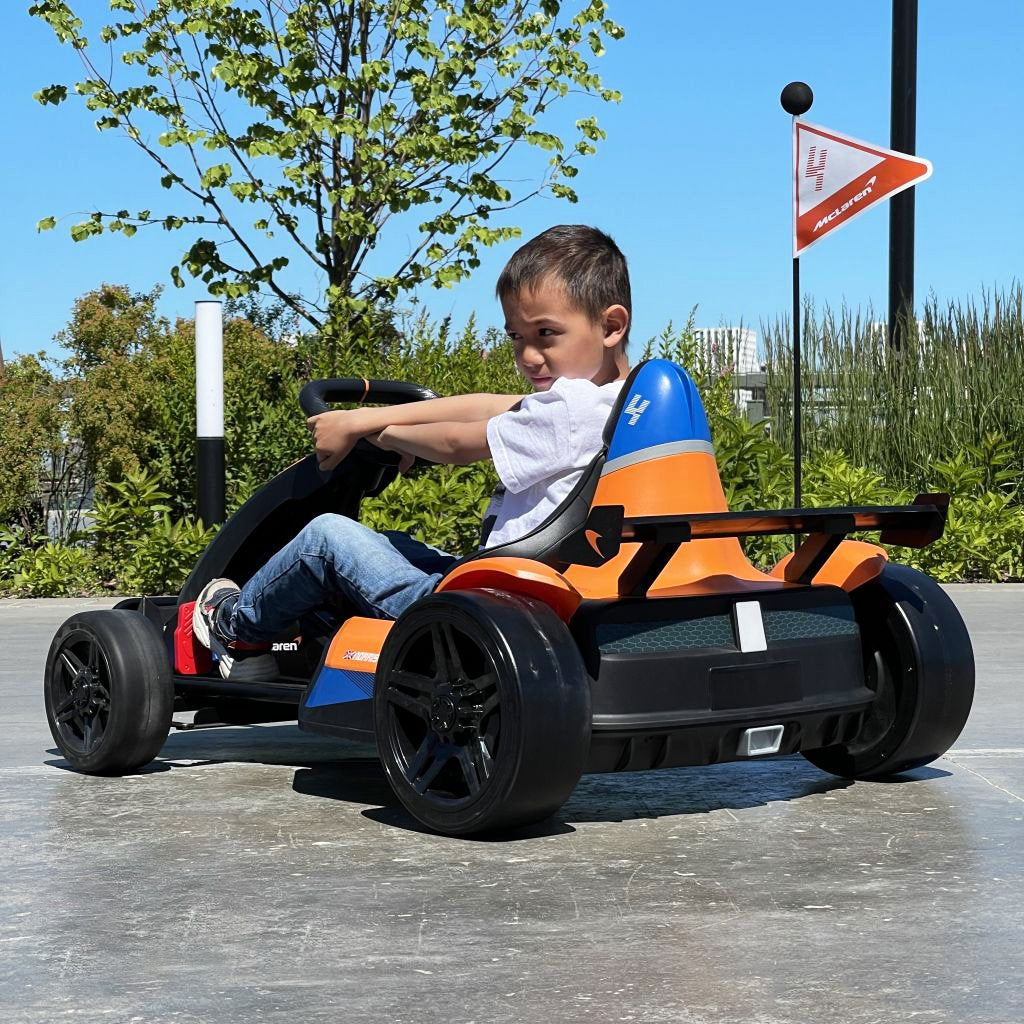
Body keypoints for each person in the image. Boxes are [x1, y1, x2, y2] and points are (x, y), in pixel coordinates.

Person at [193, 224, 632, 681]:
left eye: (545, 333)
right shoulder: (618, 402)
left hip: (488, 608)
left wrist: (380, 433)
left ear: (610, 326)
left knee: (327, 538)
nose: (528, 356)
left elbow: (457, 444)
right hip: (532, 590)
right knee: (392, 546)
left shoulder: (569, 410)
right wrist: (370, 419)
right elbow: (486, 404)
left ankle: (235, 627)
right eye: (517, 338)